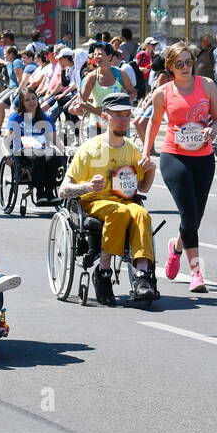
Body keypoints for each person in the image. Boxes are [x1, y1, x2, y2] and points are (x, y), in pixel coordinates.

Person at [142, 40, 217, 294]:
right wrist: (146, 154)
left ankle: (176, 249)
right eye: (180, 64)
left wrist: (214, 129)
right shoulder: (163, 92)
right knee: (188, 214)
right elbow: (153, 124)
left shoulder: (207, 85)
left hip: (204, 156)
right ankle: (197, 273)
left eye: (190, 62)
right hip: (174, 156)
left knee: (195, 217)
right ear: (171, 67)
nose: (186, 67)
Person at [60, 93, 160, 305]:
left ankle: (142, 276)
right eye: (118, 115)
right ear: (105, 117)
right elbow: (63, 190)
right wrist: (86, 186)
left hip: (124, 200)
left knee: (141, 213)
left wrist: (150, 170)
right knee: (119, 212)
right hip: (95, 201)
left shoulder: (131, 149)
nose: (124, 120)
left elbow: (143, 187)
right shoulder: (89, 148)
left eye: (127, 115)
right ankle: (103, 270)